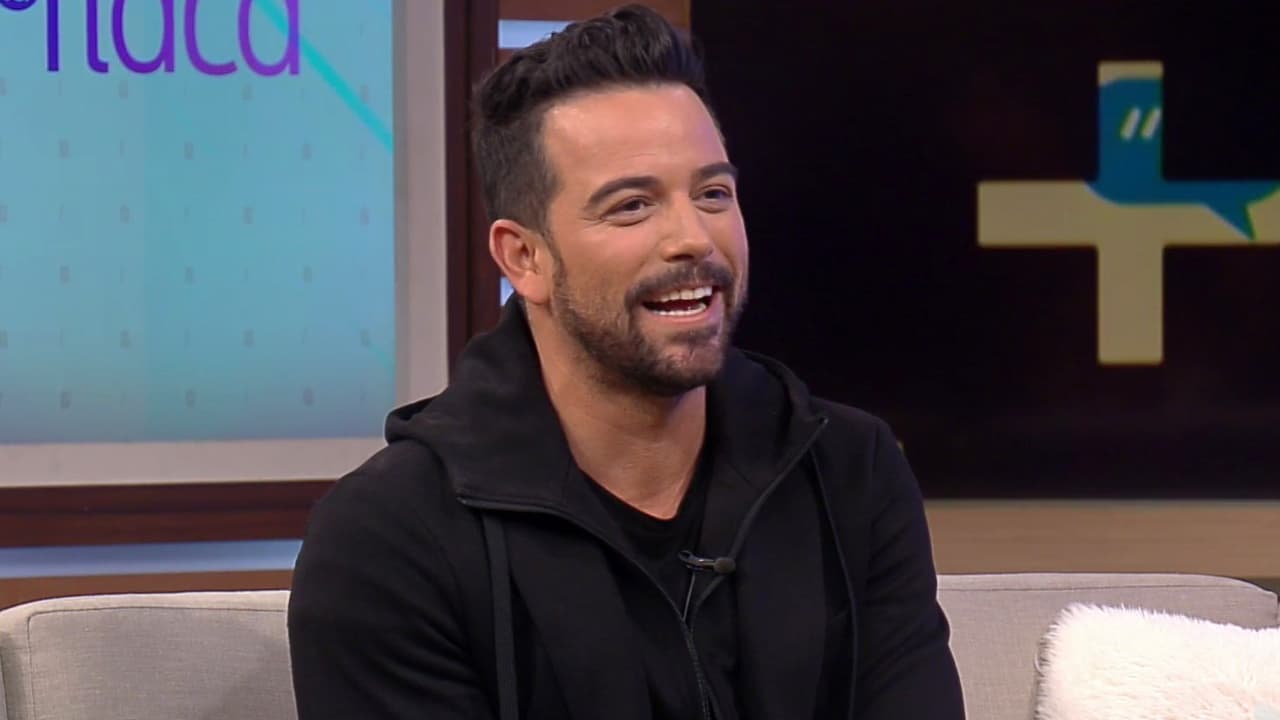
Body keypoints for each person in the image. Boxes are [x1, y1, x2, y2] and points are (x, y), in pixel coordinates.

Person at [286, 5, 965, 719]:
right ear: (525, 258)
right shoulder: (391, 540)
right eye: (632, 205)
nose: (693, 238)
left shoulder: (849, 474)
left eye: (712, 194)